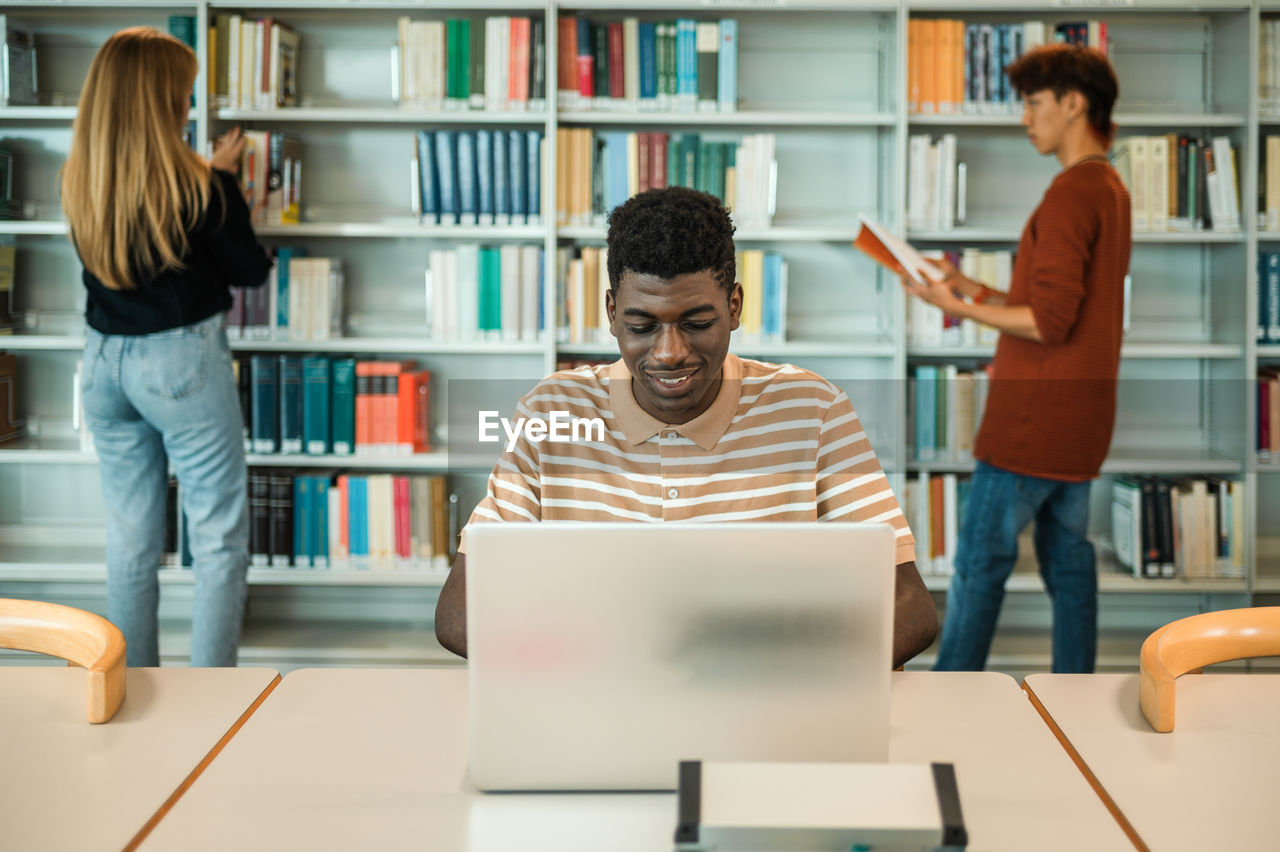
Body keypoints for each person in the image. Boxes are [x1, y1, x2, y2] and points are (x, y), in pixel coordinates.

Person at [436, 186, 937, 666]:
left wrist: (781, 678)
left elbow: (910, 607)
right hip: (595, 703)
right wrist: (592, 669)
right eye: (641, 326)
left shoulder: (813, 408)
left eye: (697, 323)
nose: (669, 352)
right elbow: (460, 612)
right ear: (611, 313)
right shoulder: (551, 413)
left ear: (734, 307)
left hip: (762, 709)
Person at [901, 44, 1131, 673]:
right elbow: (1059, 306)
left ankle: (951, 695)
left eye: (1033, 103)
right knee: (1069, 567)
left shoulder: (1067, 194)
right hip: (1079, 426)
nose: (1025, 118)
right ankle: (1074, 697)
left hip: (1029, 425)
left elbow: (1047, 323)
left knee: (978, 568)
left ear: (1073, 103)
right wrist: (964, 287)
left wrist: (958, 308)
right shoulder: (1109, 189)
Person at [61, 28, 271, 666]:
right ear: (161, 101)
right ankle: (209, 701)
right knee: (218, 541)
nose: (187, 105)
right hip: (179, 364)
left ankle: (132, 688)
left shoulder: (82, 178)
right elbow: (249, 270)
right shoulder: (201, 184)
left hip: (102, 364)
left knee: (129, 541)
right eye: (182, 93)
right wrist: (228, 182)